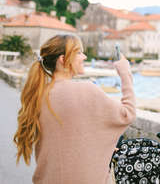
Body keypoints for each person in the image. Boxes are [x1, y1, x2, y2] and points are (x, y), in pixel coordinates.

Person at [13, 34, 136, 184]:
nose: (84, 57)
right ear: (63, 59)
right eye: (78, 52)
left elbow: (67, 136)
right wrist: (125, 73)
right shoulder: (87, 90)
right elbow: (128, 114)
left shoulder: (38, 94)